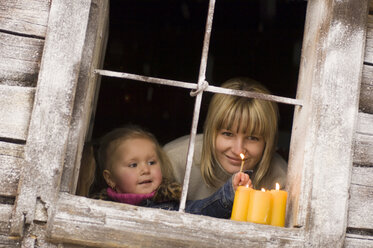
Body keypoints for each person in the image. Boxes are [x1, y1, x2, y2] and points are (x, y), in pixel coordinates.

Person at [86, 125, 252, 219]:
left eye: (151, 162)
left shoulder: (171, 205)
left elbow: (204, 209)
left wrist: (230, 192)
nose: (145, 169)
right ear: (110, 179)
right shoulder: (95, 208)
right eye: (133, 165)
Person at [164, 77, 287, 200]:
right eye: (228, 134)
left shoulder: (281, 180)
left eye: (252, 138)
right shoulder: (174, 164)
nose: (238, 151)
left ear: (268, 142)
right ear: (211, 131)